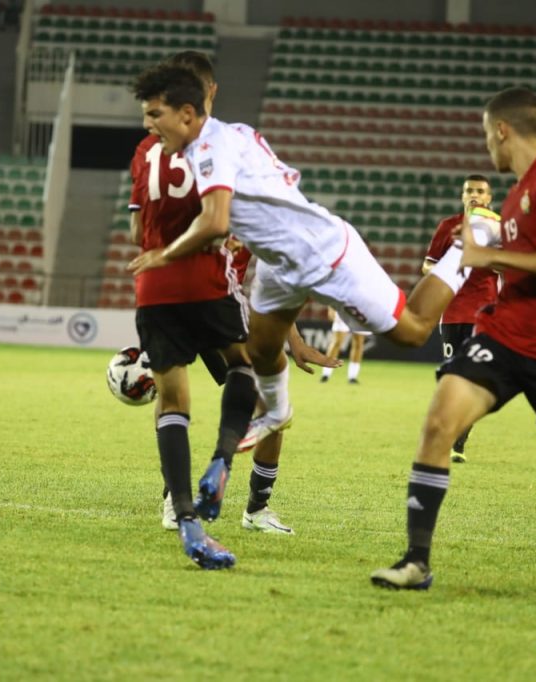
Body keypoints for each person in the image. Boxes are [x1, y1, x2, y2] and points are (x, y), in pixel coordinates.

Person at [128, 64, 501, 464]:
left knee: (412, 330)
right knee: (262, 346)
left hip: (322, 253)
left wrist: (164, 255)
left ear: (186, 113)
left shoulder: (209, 148)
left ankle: (467, 249)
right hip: (281, 262)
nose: (148, 125)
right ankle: (275, 413)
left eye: (154, 115)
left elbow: (215, 219)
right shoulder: (229, 133)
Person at [371, 87, 536, 601]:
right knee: (440, 421)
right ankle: (417, 559)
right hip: (503, 332)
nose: (488, 148)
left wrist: (493, 259)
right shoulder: (512, 197)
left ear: (502, 130)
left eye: (487, 136)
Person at [131, 52, 329, 568]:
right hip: (209, 286)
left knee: (172, 403)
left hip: (154, 291)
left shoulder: (145, 153)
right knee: (257, 377)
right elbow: (257, 235)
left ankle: (183, 511)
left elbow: (136, 233)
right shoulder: (223, 149)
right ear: (200, 101)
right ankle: (227, 471)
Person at [422, 174, 501, 463]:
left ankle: (459, 440)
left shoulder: (499, 227)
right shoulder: (448, 226)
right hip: (452, 311)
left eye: (480, 191)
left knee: (476, 376)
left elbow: (512, 265)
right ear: (462, 195)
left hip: (485, 313)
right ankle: (450, 431)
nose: (474, 195)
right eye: (469, 190)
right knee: (451, 377)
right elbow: (427, 266)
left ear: (489, 198)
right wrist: (451, 267)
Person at [320, 307, 371, 384]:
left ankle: (352, 377)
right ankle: (326, 374)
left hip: (360, 311)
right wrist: (331, 308)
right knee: (337, 342)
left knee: (358, 343)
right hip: (343, 309)